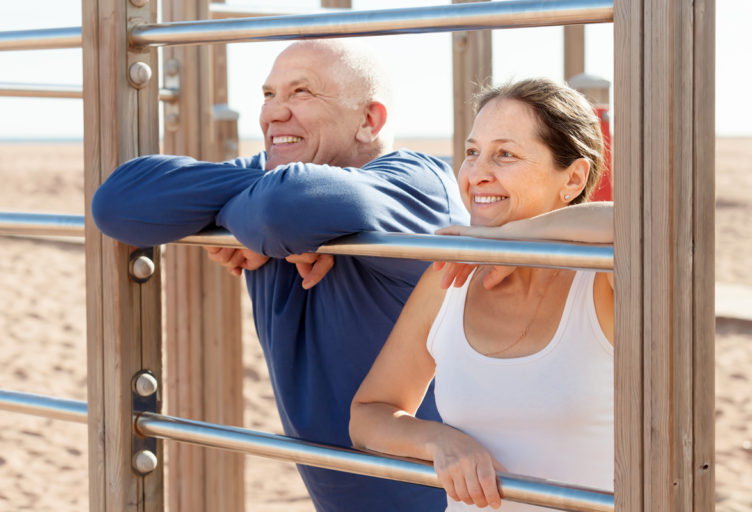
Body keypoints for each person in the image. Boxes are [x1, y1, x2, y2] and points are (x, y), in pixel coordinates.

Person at [91, 39, 469, 511]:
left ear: (369, 121)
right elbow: (118, 204)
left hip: (461, 496)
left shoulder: (417, 183)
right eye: (268, 94)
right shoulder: (275, 173)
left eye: (301, 93)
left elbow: (282, 208)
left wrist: (240, 218)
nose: (273, 113)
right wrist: (257, 221)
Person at [349, 77, 614, 511]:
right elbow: (370, 413)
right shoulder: (452, 277)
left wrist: (514, 236)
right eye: (473, 152)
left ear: (573, 179)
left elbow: (636, 223)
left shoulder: (601, 280)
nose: (477, 174)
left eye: (505, 154)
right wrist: (440, 441)